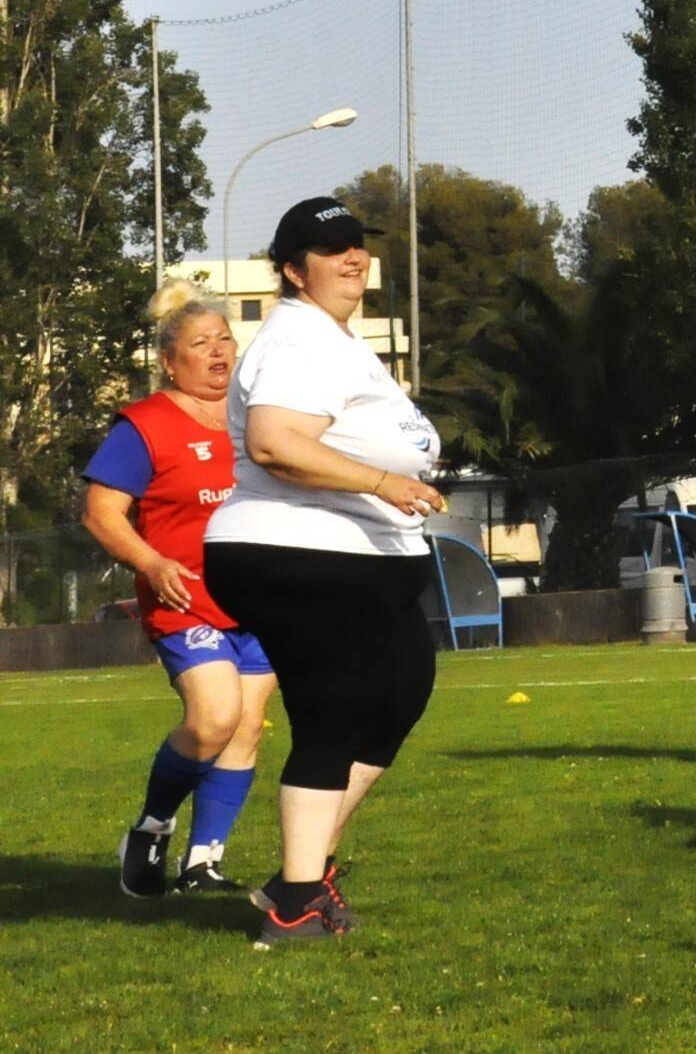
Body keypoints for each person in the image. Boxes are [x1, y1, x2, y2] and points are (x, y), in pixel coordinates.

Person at [203, 197, 447, 947]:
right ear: (290, 268)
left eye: (357, 244)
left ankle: (299, 873)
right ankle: (297, 903)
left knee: (399, 691)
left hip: (359, 554)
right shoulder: (298, 340)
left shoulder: (336, 340)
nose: (352, 257)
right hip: (298, 550)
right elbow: (276, 442)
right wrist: (382, 483)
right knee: (335, 712)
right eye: (330, 247)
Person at [83, 280, 276, 897]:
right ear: (170, 361)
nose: (219, 352)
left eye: (225, 339)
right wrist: (153, 562)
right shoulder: (145, 425)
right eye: (201, 343)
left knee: (246, 725)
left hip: (260, 600)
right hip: (185, 600)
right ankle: (152, 825)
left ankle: (203, 863)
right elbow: (102, 512)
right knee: (214, 717)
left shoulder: (257, 417)